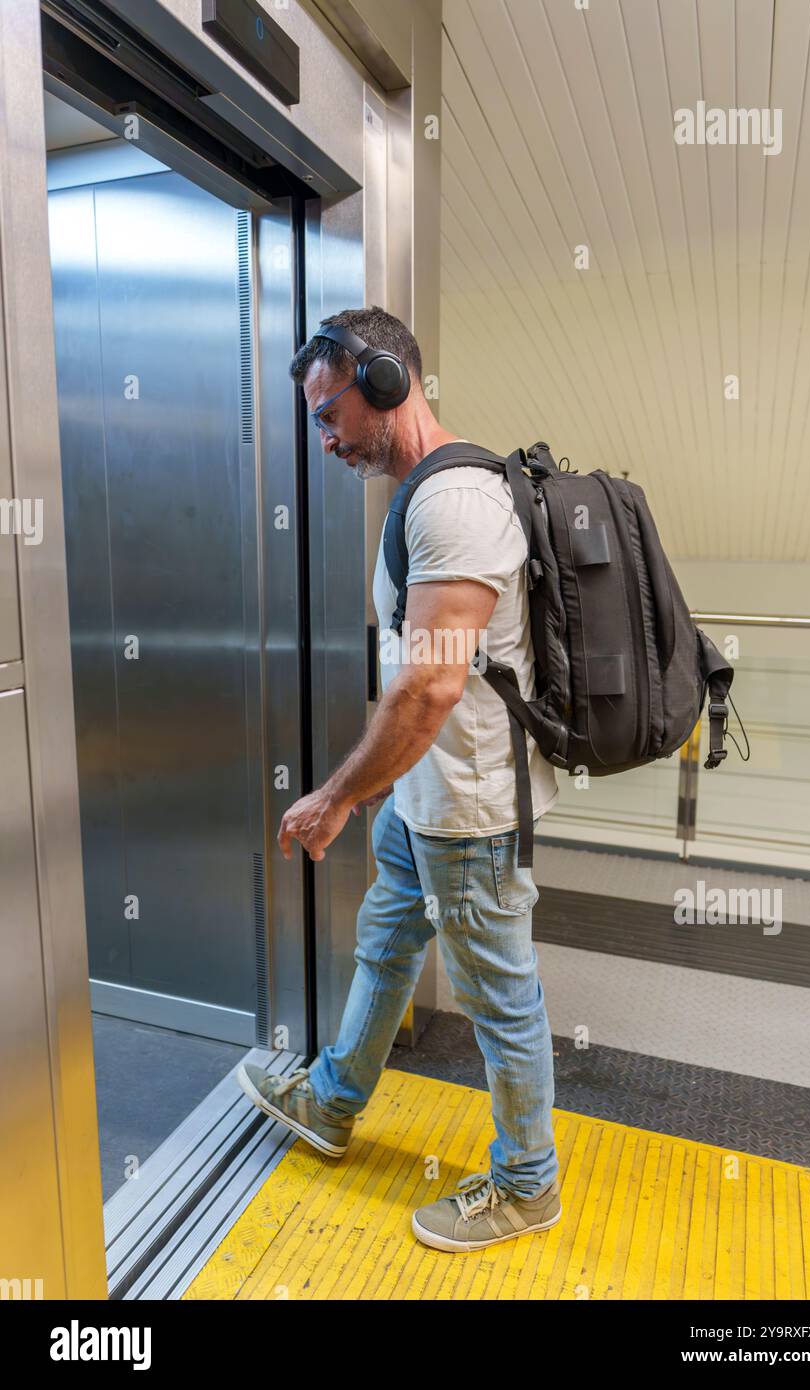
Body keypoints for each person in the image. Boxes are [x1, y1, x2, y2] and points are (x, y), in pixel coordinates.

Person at [236, 306, 561, 1253]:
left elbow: (429, 686)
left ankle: (527, 1182)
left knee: (499, 994)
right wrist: (379, 789)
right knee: (383, 946)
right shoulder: (422, 493)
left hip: (466, 808)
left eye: (328, 414)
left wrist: (336, 791)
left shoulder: (455, 504)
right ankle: (334, 1102)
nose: (326, 438)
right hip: (424, 798)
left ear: (384, 382)